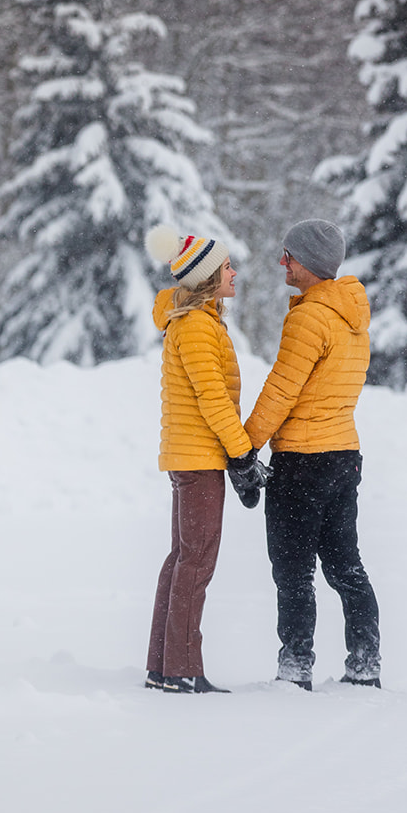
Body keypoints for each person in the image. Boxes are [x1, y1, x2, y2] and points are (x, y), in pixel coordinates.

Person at [244, 219, 381, 691]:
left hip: (303, 460)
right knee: (346, 564)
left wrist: (245, 447)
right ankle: (365, 663)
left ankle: (295, 666)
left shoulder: (309, 318)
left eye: (289, 255)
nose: (282, 261)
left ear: (309, 263)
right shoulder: (352, 317)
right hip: (344, 455)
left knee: (293, 569)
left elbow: (282, 391)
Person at [143, 223, 269, 694]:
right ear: (207, 277)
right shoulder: (196, 326)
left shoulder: (199, 321)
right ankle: (181, 669)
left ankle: (163, 666)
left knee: (182, 559)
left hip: (191, 457)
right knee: (195, 563)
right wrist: (242, 457)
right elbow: (212, 400)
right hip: (199, 460)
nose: (235, 273)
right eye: (228, 267)